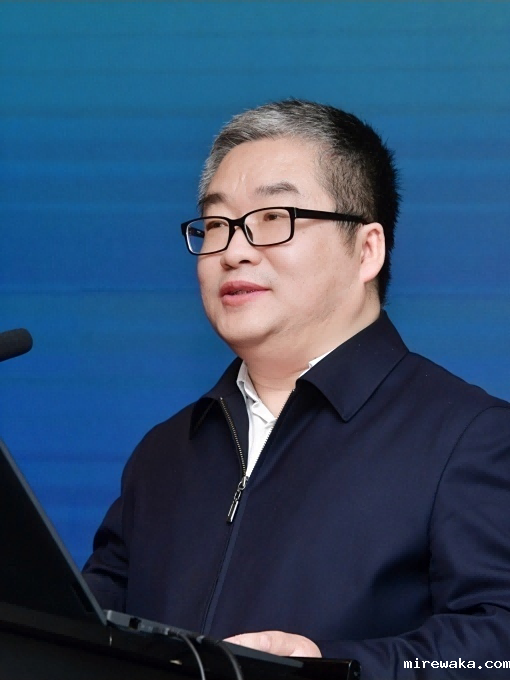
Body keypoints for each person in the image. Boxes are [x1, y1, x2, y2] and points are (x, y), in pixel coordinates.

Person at [83, 100, 510, 678]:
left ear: (367, 250)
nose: (233, 250)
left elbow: (498, 645)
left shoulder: (470, 437)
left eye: (272, 217)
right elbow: (83, 634)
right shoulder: (164, 454)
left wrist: (334, 668)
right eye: (216, 225)